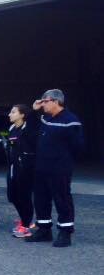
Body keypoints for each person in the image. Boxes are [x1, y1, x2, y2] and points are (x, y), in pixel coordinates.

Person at [26, 89, 85, 247]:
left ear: (56, 102)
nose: (42, 104)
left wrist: (63, 160)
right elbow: (30, 131)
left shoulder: (70, 121)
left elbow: (78, 146)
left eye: (45, 101)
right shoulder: (45, 118)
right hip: (41, 167)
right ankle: (44, 230)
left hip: (59, 168)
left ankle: (65, 232)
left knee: (62, 199)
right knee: (41, 199)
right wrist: (34, 111)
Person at [6, 104, 38, 237]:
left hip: (26, 168)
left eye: (13, 112)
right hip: (13, 167)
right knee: (12, 196)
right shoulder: (12, 128)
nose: (9, 114)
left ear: (22, 115)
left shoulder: (28, 128)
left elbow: (34, 121)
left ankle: (25, 226)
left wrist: (34, 110)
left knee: (24, 197)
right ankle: (24, 219)